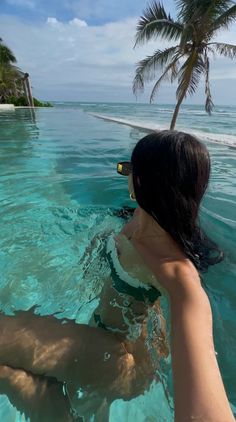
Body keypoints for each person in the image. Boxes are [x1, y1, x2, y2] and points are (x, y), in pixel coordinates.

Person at [0, 131, 234, 422]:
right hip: (102, 337)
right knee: (18, 376)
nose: (125, 174)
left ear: (142, 180)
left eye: (128, 168)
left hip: (121, 359)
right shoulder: (141, 217)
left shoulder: (176, 272)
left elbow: (207, 413)